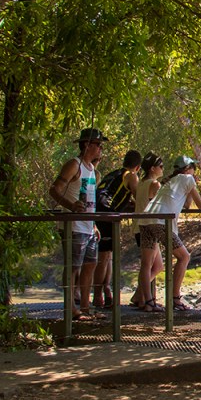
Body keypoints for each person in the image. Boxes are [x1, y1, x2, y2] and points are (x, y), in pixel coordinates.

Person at [48, 128, 107, 321]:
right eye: (98, 145)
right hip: (73, 226)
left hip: (88, 226)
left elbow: (90, 199)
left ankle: (85, 306)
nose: (100, 149)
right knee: (73, 266)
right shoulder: (74, 165)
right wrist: (71, 206)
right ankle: (69, 307)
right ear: (87, 145)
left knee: (90, 264)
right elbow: (55, 189)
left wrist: (95, 225)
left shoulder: (92, 170)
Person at [141, 156, 201, 311]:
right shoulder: (187, 179)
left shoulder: (172, 181)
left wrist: (192, 187)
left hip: (146, 219)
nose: (194, 172)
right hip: (161, 221)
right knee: (184, 257)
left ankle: (148, 302)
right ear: (187, 169)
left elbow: (186, 204)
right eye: (194, 168)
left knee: (146, 264)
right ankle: (175, 298)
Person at [92, 150, 142, 308]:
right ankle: (98, 296)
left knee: (107, 257)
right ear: (138, 167)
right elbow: (138, 196)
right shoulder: (131, 175)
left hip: (98, 212)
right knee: (103, 257)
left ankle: (107, 292)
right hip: (106, 215)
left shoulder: (114, 174)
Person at [132, 152, 165, 309]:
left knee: (157, 266)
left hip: (140, 226)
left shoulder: (141, 183)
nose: (162, 169)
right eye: (161, 166)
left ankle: (140, 295)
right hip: (147, 227)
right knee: (148, 264)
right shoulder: (154, 184)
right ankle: (147, 300)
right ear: (153, 168)